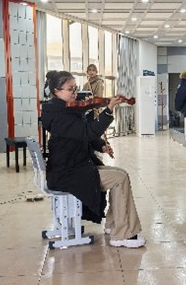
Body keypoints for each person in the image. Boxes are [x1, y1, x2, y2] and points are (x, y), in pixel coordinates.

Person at [41, 71, 145, 248]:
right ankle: (122, 234)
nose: (75, 93)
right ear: (56, 91)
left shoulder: (60, 109)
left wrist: (101, 145)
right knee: (120, 178)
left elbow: (79, 134)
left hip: (71, 167)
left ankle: (114, 225)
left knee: (120, 173)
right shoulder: (59, 115)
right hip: (67, 173)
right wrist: (108, 110)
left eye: (75, 88)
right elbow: (87, 132)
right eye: (70, 89)